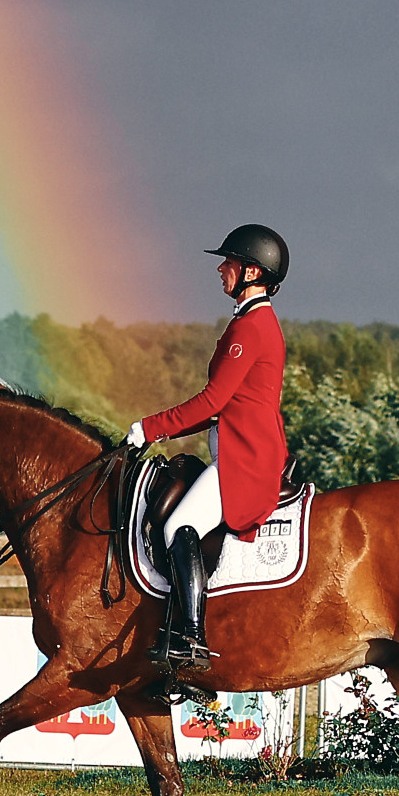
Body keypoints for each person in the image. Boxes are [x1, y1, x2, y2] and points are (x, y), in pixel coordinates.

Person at [127, 224, 290, 672]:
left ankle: (191, 637)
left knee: (178, 525)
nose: (221, 268)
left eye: (230, 262)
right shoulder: (247, 320)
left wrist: (150, 428)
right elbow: (217, 406)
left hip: (246, 461)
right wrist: (156, 431)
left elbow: (213, 401)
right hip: (237, 452)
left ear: (252, 271)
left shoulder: (253, 326)